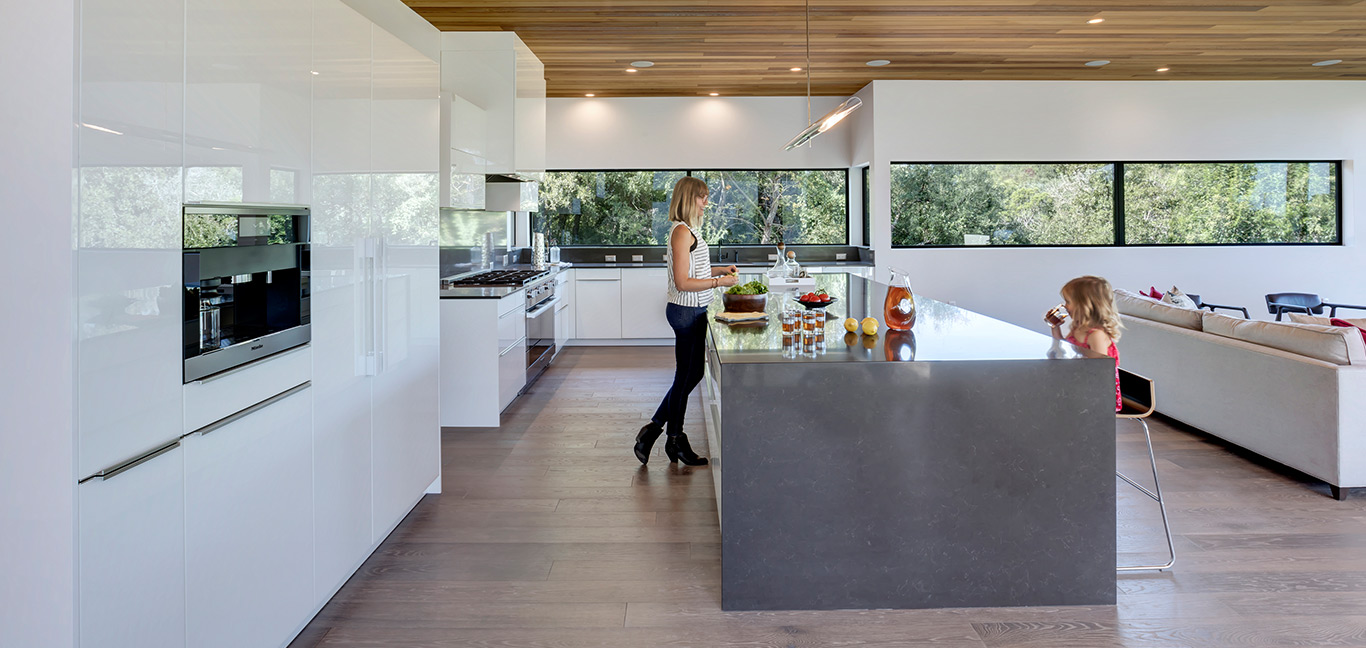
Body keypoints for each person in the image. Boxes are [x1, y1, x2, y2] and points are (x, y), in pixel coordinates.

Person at [634, 177, 738, 466]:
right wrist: (719, 282)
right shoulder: (681, 232)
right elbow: (682, 282)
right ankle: (673, 439)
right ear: (688, 198)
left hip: (694, 310)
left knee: (692, 375)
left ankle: (656, 432)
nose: (706, 202)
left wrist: (720, 270)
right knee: (686, 376)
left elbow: (696, 269)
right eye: (701, 197)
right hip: (685, 311)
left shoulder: (690, 231)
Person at [1046, 275, 1123, 411]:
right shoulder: (1078, 328)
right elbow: (1065, 347)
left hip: (1098, 391)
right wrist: (1055, 327)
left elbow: (1099, 369)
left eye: (1068, 301)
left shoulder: (1096, 334)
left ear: (1084, 305)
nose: (1064, 306)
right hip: (1081, 381)